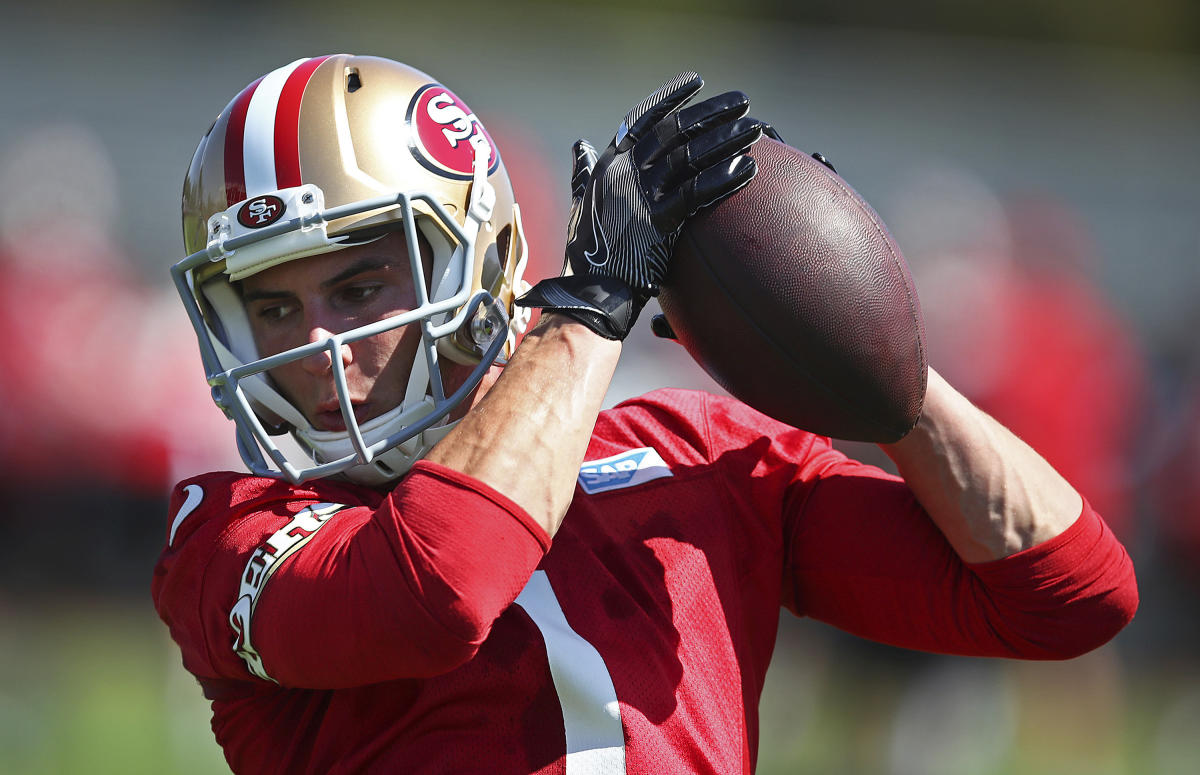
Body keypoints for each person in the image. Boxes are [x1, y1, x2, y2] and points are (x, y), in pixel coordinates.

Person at [152, 54, 1138, 774]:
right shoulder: (229, 532)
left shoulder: (684, 455)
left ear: (483, 261)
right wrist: (591, 303)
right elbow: (440, 587)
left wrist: (871, 359)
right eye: (273, 303)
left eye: (362, 285)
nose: (318, 339)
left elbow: (1067, 597)